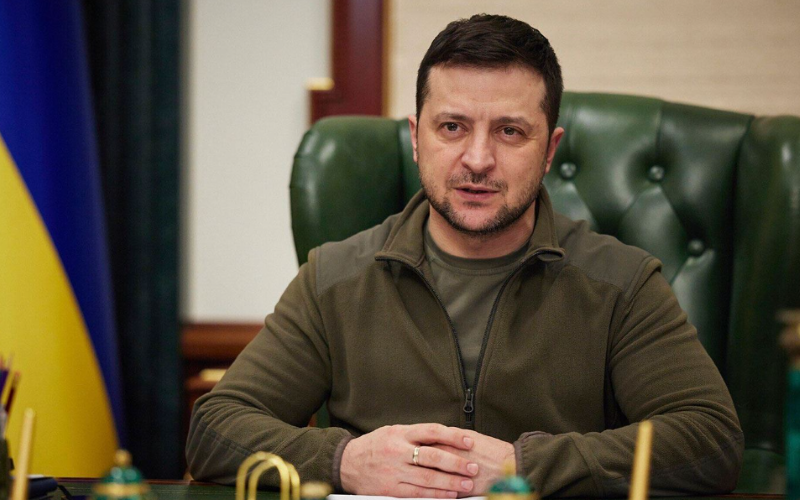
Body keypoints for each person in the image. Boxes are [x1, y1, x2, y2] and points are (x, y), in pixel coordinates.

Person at [186, 14, 743, 498]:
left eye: (510, 131)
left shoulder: (622, 282)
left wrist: (525, 468)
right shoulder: (334, 276)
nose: (478, 159)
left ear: (549, 150)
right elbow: (215, 430)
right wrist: (343, 460)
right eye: (452, 127)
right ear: (416, 138)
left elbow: (711, 438)